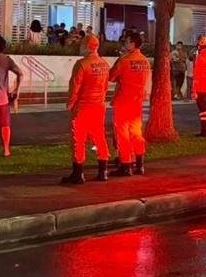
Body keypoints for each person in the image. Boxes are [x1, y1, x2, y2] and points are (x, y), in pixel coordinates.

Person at [61, 35, 111, 184]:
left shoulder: (82, 64)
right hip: (98, 106)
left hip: (83, 106)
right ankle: (103, 171)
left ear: (88, 46)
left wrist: (70, 103)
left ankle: (78, 173)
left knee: (79, 139)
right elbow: (105, 87)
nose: (80, 47)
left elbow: (75, 86)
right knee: (99, 136)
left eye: (82, 44)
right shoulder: (104, 64)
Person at [108, 30, 151, 176]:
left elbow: (111, 76)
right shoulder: (145, 61)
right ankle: (140, 164)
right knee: (136, 133)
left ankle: (126, 165)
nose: (124, 44)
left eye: (126, 41)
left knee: (122, 134)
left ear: (133, 44)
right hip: (137, 102)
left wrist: (118, 61)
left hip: (123, 101)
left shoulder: (124, 60)